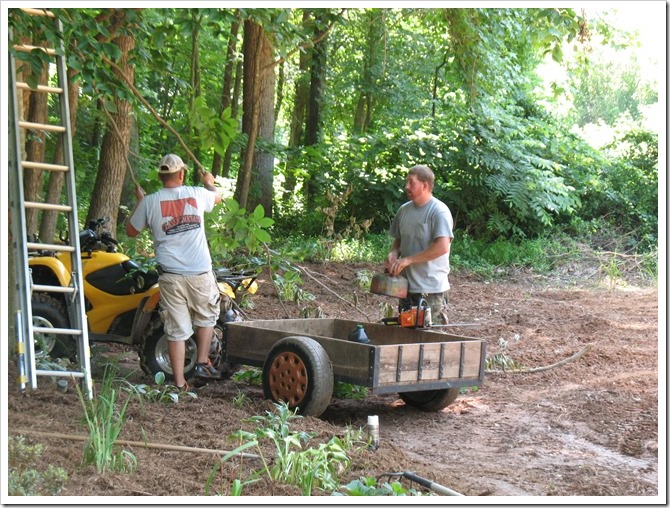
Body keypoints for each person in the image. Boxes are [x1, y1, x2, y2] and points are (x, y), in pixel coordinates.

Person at [126, 153, 223, 390]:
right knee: (206, 316)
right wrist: (209, 182)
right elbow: (218, 197)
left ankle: (179, 383)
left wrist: (140, 202)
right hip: (199, 272)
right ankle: (202, 362)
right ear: (181, 174)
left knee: (176, 330)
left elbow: (131, 231)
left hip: (170, 275)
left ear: (161, 176)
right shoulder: (197, 193)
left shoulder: (150, 202)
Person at [386, 164, 454, 326]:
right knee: (406, 335)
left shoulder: (439, 211)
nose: (406, 187)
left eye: (411, 182)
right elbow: (399, 240)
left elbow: (442, 247)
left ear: (425, 185)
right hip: (405, 287)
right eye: (407, 182)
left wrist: (407, 260)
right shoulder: (403, 210)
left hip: (431, 290)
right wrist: (393, 253)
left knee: (431, 338)